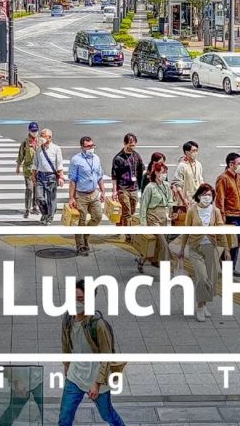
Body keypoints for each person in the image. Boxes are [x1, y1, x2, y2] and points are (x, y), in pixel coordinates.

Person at [58, 280, 126, 426]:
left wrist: (97, 384)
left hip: (96, 379)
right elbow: (65, 343)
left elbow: (106, 357)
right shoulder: (68, 319)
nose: (75, 303)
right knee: (64, 418)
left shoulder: (98, 325)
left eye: (80, 299)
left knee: (107, 415)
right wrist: (66, 364)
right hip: (75, 376)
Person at [178, 183, 226, 322]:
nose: (207, 197)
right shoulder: (192, 211)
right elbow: (186, 231)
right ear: (199, 196)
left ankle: (204, 304)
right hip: (195, 248)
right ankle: (199, 307)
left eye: (209, 195)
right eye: (204, 195)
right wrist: (182, 248)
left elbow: (222, 231)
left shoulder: (215, 211)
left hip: (211, 248)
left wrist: (227, 249)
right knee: (202, 278)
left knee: (210, 279)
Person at [68, 136, 106, 255]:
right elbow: (73, 180)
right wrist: (71, 198)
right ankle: (80, 245)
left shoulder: (96, 158)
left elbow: (99, 176)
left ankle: (85, 235)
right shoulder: (76, 160)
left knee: (98, 216)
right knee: (81, 221)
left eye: (92, 146)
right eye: (88, 146)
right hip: (81, 195)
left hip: (94, 193)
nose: (91, 148)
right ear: (82, 147)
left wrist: (103, 191)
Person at [137, 160, 173, 273]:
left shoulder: (166, 185)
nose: (164, 175)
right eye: (162, 172)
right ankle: (166, 267)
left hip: (163, 217)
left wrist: (172, 210)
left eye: (165, 172)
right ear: (156, 173)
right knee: (164, 244)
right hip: (152, 217)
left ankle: (142, 260)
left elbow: (170, 200)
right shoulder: (150, 187)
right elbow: (143, 206)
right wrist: (143, 223)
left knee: (156, 244)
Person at [31, 128, 64, 226]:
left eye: (43, 136)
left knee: (51, 199)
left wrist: (61, 177)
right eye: (41, 135)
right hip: (40, 176)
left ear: (49, 137)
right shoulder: (38, 149)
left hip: (51, 177)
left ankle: (50, 217)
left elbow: (59, 164)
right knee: (39, 197)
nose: (41, 138)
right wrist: (33, 175)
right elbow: (35, 163)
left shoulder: (56, 149)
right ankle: (45, 213)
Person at [111, 133, 144, 228]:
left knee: (132, 211)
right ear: (125, 143)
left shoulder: (136, 155)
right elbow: (114, 176)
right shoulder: (118, 158)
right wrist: (114, 191)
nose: (132, 147)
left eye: (133, 145)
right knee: (127, 213)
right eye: (130, 145)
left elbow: (141, 169)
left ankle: (119, 223)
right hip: (123, 188)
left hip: (134, 188)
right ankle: (128, 233)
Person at [15, 122, 41, 218]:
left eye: (36, 131)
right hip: (28, 169)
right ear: (29, 131)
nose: (34, 133)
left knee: (36, 190)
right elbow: (21, 155)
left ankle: (35, 206)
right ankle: (27, 208)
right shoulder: (25, 143)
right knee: (29, 189)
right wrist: (18, 166)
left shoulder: (40, 141)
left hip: (38, 169)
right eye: (33, 131)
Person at [171, 141, 204, 206]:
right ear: (187, 152)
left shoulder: (198, 164)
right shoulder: (182, 166)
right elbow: (178, 186)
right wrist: (184, 201)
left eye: (196, 150)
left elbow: (201, 181)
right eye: (193, 151)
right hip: (186, 201)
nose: (195, 153)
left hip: (196, 199)